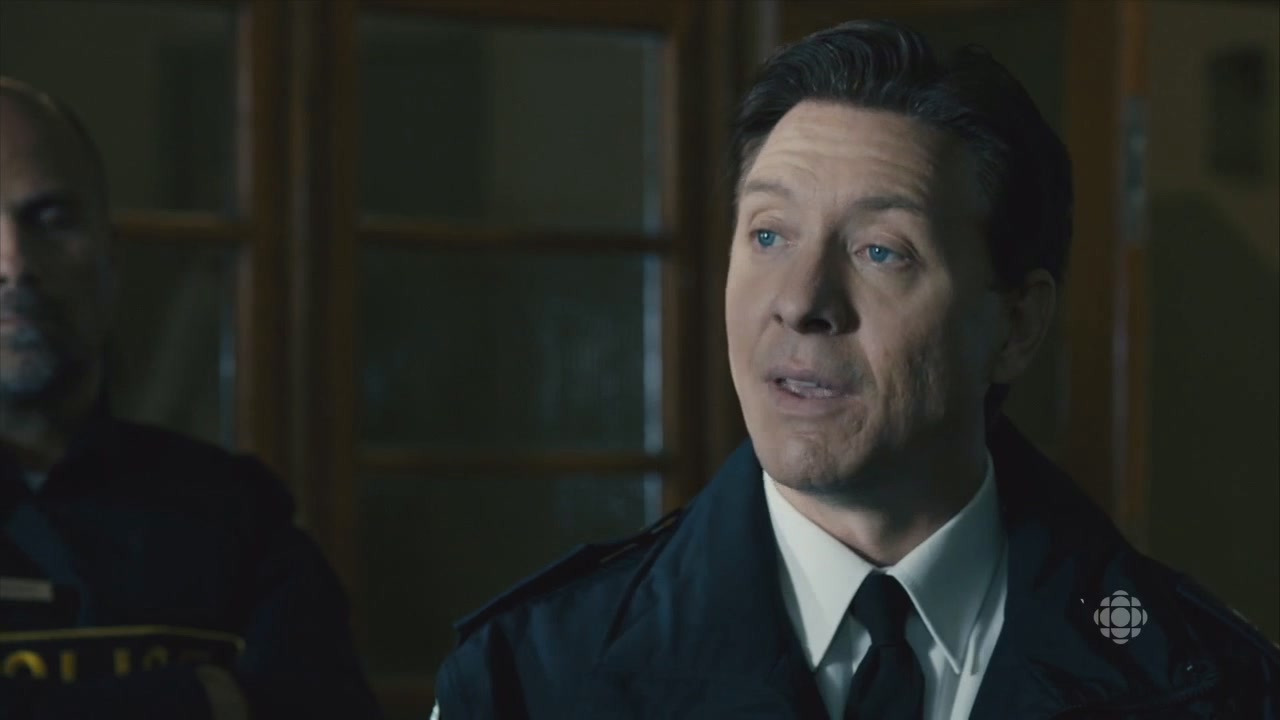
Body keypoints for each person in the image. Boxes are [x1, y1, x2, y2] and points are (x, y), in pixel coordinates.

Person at [430, 20, 1279, 719]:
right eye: (768, 235)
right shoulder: (531, 678)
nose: (802, 302)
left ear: (1016, 324)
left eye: (880, 250)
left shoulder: (1211, 684)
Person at [0, 78, 382, 719]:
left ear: (111, 255)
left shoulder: (238, 516)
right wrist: (193, 699)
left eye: (52, 218)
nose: (14, 262)